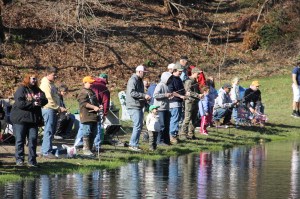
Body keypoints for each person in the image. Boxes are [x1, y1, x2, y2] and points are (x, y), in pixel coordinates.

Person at [10, 73, 48, 167]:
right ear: (28, 79)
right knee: (20, 140)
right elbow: (20, 103)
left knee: (33, 139)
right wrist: (33, 103)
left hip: (33, 119)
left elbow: (45, 99)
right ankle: (19, 160)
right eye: (33, 79)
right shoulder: (21, 89)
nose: (34, 80)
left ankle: (32, 161)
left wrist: (40, 101)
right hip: (20, 119)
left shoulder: (37, 89)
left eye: (35, 79)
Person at [40, 66, 65, 159]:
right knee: (49, 130)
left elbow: (55, 96)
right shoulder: (45, 85)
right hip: (48, 109)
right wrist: (58, 108)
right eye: (54, 75)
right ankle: (46, 152)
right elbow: (48, 99)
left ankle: (46, 149)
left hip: (53, 110)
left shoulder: (51, 84)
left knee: (51, 131)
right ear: (48, 74)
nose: (55, 76)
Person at [126, 65, 151, 151]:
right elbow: (132, 93)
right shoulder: (133, 80)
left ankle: (135, 144)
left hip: (138, 105)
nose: (144, 74)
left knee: (139, 125)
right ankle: (133, 145)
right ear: (139, 71)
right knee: (137, 125)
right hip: (133, 106)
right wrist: (144, 95)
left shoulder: (139, 80)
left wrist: (145, 100)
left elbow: (139, 94)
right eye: (144, 73)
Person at [77, 76, 102, 156]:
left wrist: (98, 106)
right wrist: (94, 107)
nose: (91, 84)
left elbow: (95, 102)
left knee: (94, 133)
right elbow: (83, 103)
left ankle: (90, 149)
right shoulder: (83, 92)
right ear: (85, 83)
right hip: (86, 115)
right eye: (90, 83)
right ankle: (86, 149)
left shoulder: (92, 91)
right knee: (86, 132)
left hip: (94, 116)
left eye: (92, 83)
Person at [180, 67, 202, 140]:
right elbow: (187, 91)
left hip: (195, 102)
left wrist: (201, 94)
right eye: (198, 73)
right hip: (189, 102)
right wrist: (197, 95)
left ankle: (191, 134)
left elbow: (197, 91)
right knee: (187, 118)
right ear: (193, 73)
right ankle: (183, 134)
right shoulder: (189, 81)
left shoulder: (195, 81)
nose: (199, 75)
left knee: (194, 119)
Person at [168, 63, 186, 144]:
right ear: (174, 70)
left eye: (181, 71)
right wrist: (181, 96)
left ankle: (175, 135)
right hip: (173, 102)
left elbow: (182, 89)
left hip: (179, 102)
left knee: (177, 119)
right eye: (179, 71)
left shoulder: (179, 79)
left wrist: (185, 94)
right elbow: (171, 92)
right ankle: (172, 136)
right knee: (174, 120)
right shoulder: (171, 79)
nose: (181, 72)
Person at [153, 71, 173, 145]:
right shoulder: (160, 85)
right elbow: (155, 95)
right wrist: (165, 95)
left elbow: (165, 96)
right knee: (161, 126)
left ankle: (166, 141)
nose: (170, 80)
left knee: (167, 126)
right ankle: (160, 141)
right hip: (160, 109)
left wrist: (169, 96)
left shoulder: (166, 86)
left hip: (166, 108)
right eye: (169, 78)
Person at [91, 73, 110, 151]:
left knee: (89, 127)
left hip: (88, 108)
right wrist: (105, 113)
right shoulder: (104, 88)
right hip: (98, 109)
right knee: (99, 127)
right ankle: (97, 146)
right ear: (105, 79)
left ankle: (86, 145)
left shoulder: (91, 84)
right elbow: (106, 102)